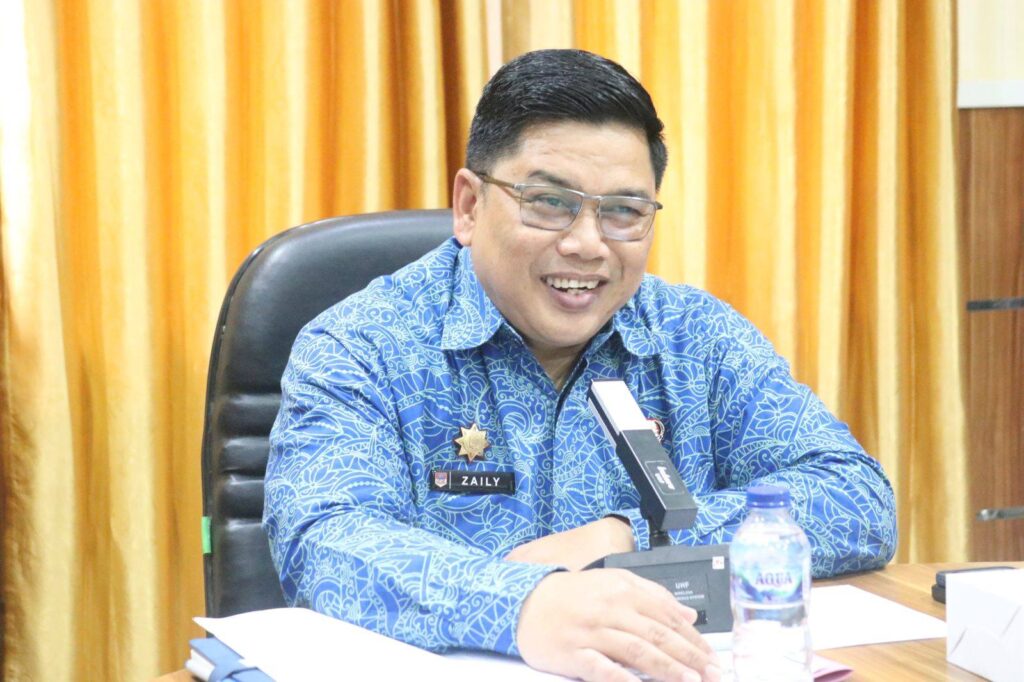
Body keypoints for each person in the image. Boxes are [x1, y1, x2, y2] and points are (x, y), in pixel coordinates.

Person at [264, 49, 897, 682]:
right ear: (469, 206)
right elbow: (323, 542)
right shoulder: (362, 344)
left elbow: (857, 500)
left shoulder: (698, 337)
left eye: (623, 211)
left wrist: (624, 537)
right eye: (548, 201)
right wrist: (524, 604)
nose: (587, 244)